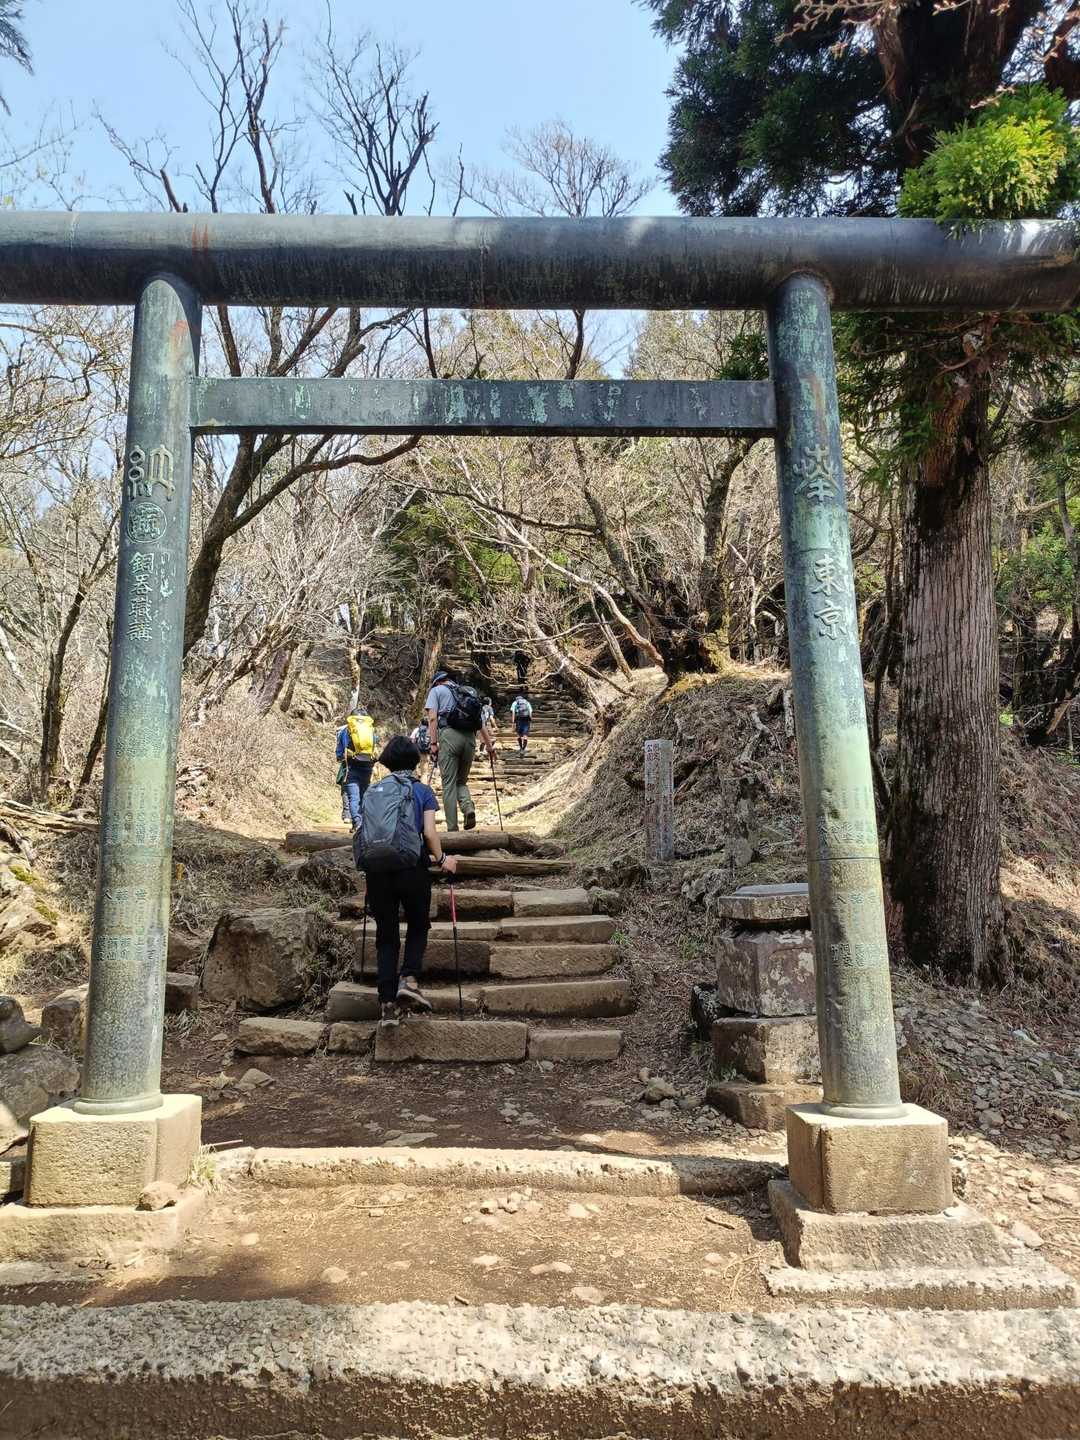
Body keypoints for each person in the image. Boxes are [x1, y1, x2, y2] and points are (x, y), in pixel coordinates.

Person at [354, 735, 459, 1028]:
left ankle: (387, 1005)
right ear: (415, 761)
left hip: (378, 871)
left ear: (387, 762)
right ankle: (409, 980)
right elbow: (429, 833)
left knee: (386, 935)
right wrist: (443, 859)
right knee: (418, 924)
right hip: (412, 869)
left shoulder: (372, 791)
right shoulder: (422, 791)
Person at [425, 666, 496, 832]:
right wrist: (489, 747)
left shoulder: (436, 691)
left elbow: (433, 718)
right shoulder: (467, 693)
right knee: (461, 781)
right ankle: (468, 808)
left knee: (449, 784)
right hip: (470, 739)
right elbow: (480, 723)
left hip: (449, 737)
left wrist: (433, 744)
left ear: (437, 682)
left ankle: (452, 829)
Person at [336, 704, 379, 831]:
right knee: (364, 795)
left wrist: (341, 757)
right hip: (368, 766)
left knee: (354, 797)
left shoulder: (346, 730)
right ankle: (363, 824)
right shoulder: (370, 729)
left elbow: (339, 752)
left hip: (351, 766)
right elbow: (374, 745)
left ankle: (357, 823)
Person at [510, 688, 533, 753]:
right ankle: (523, 749)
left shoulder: (515, 703)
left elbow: (513, 713)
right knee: (525, 735)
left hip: (518, 719)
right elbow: (530, 711)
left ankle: (520, 748)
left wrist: (513, 722)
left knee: (519, 735)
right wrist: (530, 720)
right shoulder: (527, 702)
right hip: (526, 719)